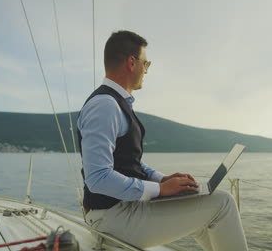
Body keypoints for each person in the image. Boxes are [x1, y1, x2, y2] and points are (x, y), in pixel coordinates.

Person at [77, 30, 248, 251]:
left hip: (122, 210)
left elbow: (130, 161)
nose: (146, 71)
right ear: (132, 62)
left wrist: (162, 179)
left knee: (204, 217)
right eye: (145, 64)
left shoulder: (116, 104)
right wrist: (161, 190)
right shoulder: (105, 105)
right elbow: (98, 178)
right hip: (112, 218)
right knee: (223, 204)